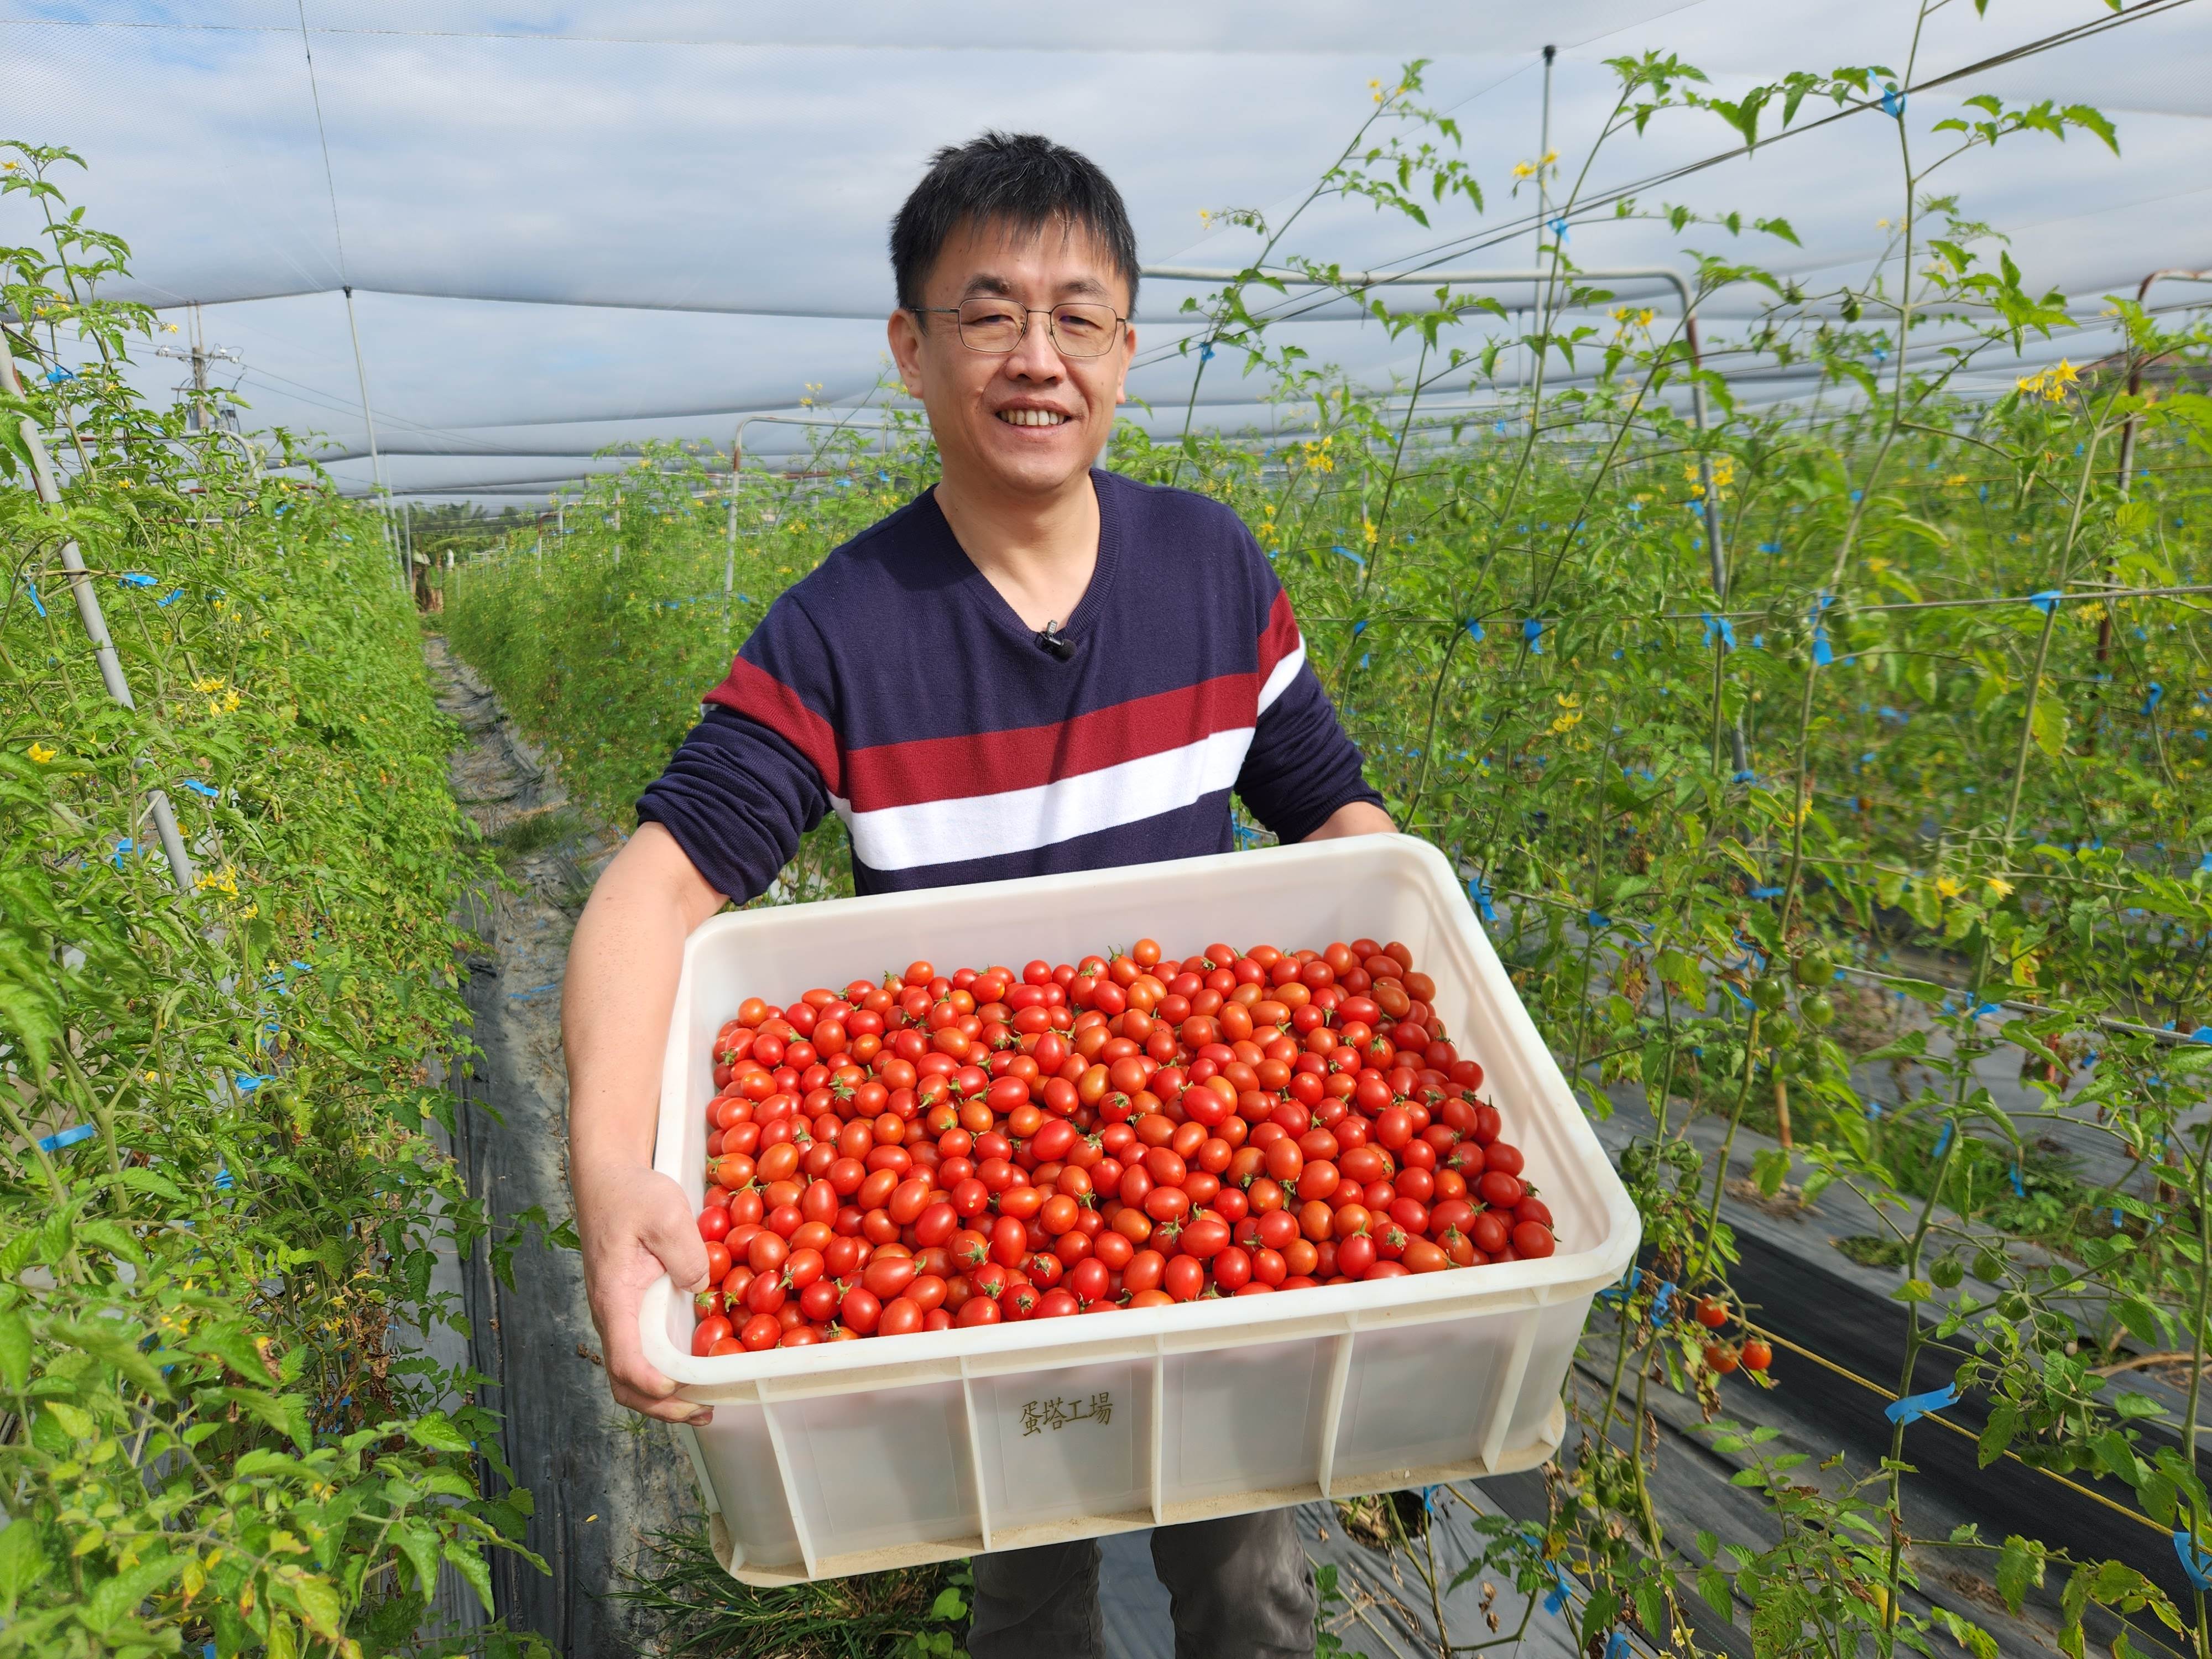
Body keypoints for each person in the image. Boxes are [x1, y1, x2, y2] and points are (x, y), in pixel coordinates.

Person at [564, 130, 1393, 1659]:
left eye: (1079, 316)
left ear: (1127, 353)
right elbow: (658, 887)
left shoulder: (1213, 570)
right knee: (1022, 1566)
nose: (1038, 357)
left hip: (1209, 1165)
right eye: (988, 311)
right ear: (912, 348)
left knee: (1247, 1565)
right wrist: (614, 1181)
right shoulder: (842, 631)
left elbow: (1329, 807)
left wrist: (1407, 980)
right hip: (974, 1226)